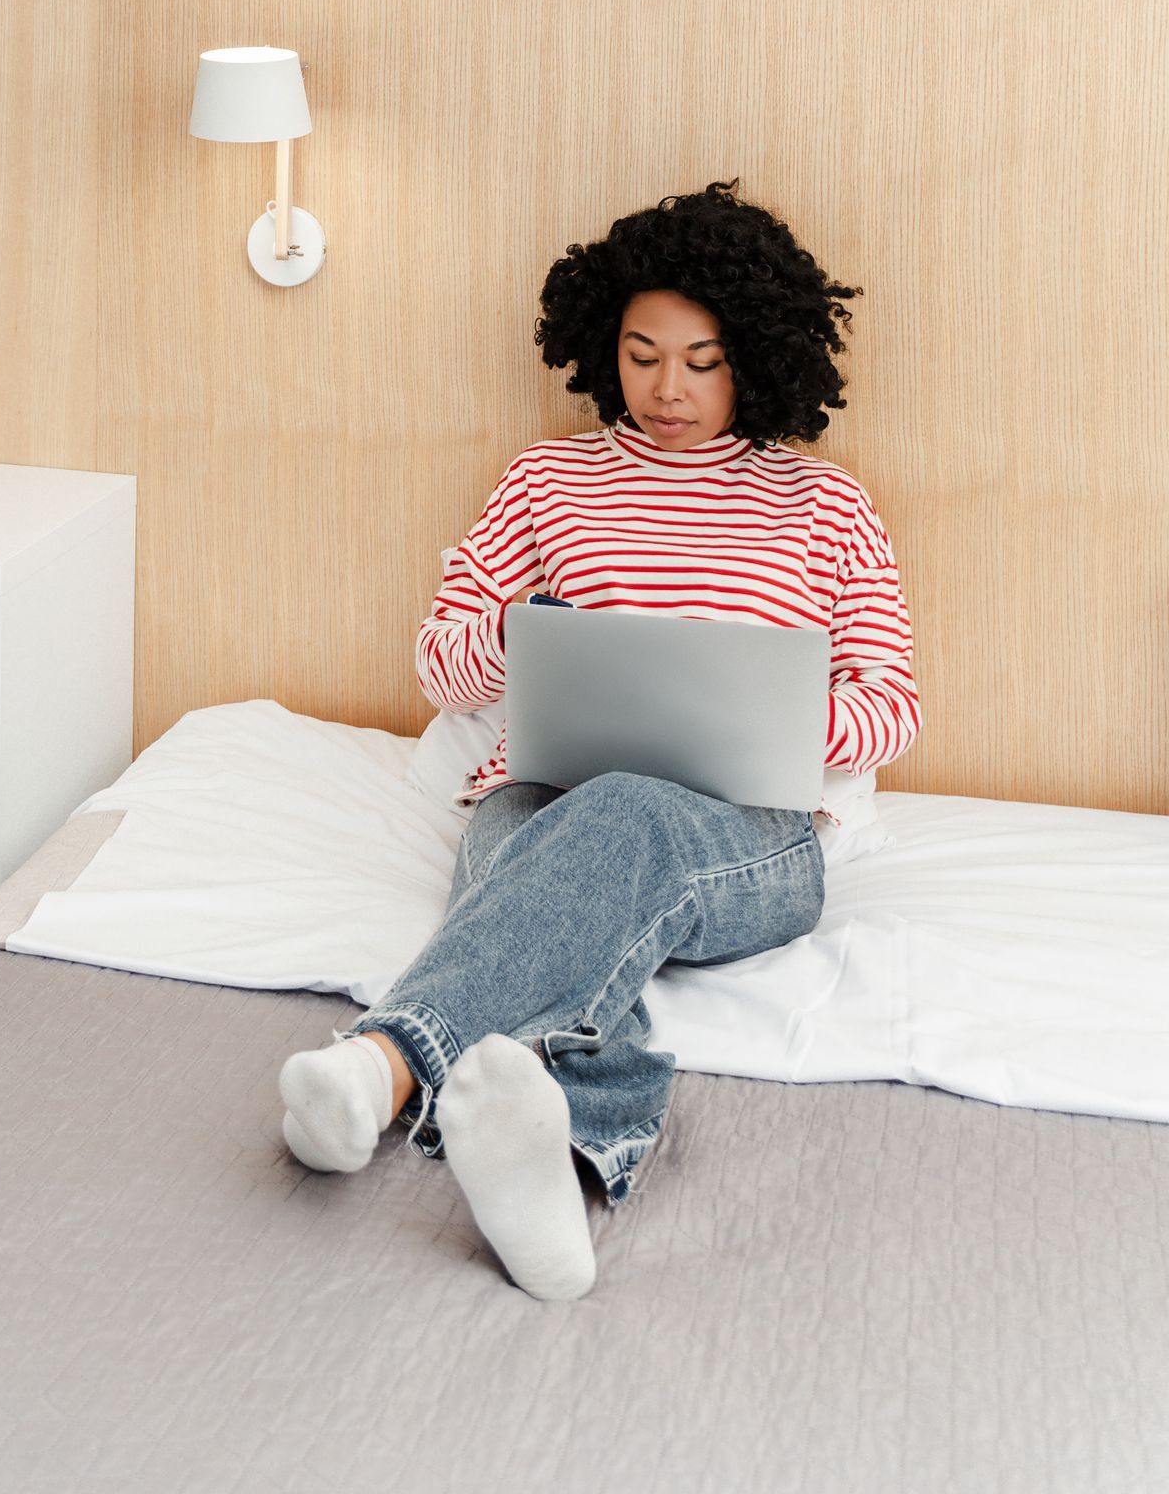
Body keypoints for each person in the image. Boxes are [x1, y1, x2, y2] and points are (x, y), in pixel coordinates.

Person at [277, 180, 919, 1302]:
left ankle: (378, 1069)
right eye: (640, 353)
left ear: (756, 357)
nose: (665, 389)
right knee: (569, 882)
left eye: (701, 360)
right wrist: (533, 645)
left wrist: (780, 714)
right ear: (599, 345)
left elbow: (893, 703)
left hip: (753, 835)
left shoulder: (827, 506)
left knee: (621, 815)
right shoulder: (546, 481)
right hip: (538, 798)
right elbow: (442, 662)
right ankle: (568, 1166)